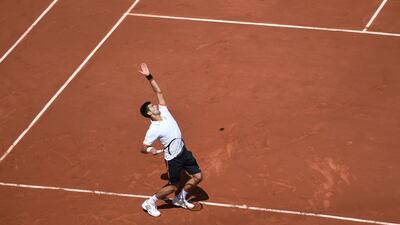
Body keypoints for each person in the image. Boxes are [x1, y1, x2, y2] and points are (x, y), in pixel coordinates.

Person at [138, 63, 203, 217]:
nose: (154, 105)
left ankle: (180, 199)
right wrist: (149, 149)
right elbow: (143, 147)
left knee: (198, 176)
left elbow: (158, 91)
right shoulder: (153, 129)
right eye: (151, 107)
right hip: (173, 158)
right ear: (149, 114)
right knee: (173, 186)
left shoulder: (164, 110)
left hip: (184, 151)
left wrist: (149, 76)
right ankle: (150, 202)